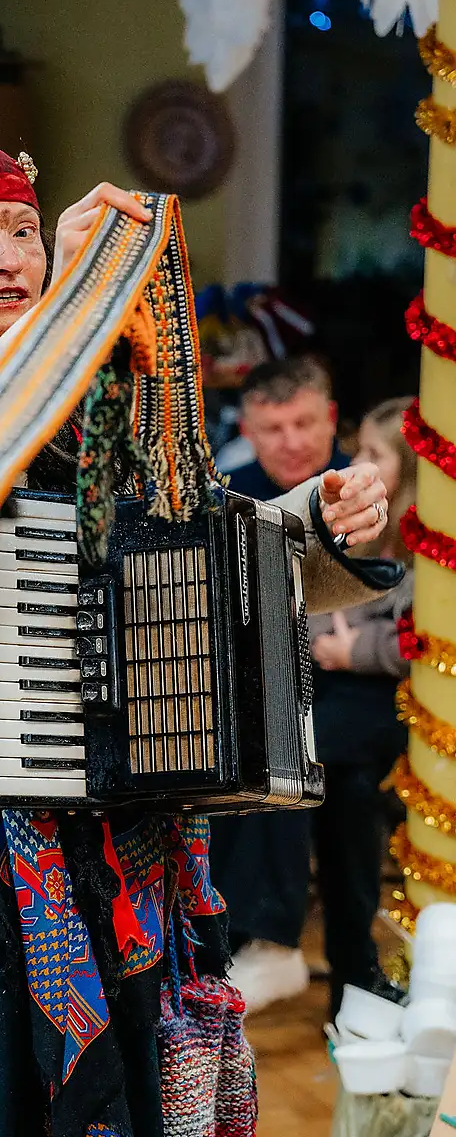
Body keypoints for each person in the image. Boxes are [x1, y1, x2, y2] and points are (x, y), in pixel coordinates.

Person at [0, 135, 391, 1137]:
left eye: (23, 230)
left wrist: (312, 524)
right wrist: (60, 324)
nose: (9, 257)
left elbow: (187, 553)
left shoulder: (104, 387)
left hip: (121, 814)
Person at [209, 356, 355, 1013]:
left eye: (305, 423)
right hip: (255, 680)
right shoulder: (228, 492)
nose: (292, 441)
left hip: (356, 684)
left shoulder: (364, 485)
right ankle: (215, 945)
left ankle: (270, 942)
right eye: (274, 428)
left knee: (279, 734)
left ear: (332, 419)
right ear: (249, 431)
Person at [308, 397, 415, 1018]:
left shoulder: (430, 537)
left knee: (309, 757)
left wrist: (357, 650)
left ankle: (275, 939)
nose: (358, 463)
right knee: (341, 785)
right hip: (346, 702)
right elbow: (316, 603)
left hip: (400, 705)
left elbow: (427, 640)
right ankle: (354, 976)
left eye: (375, 453)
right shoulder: (359, 522)